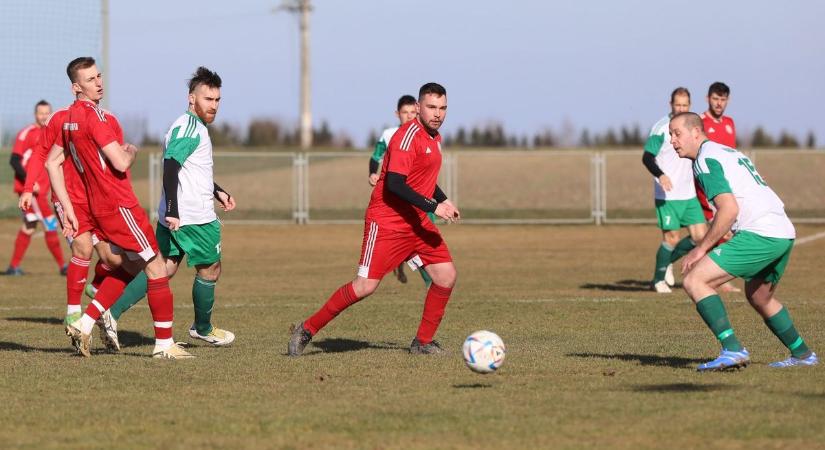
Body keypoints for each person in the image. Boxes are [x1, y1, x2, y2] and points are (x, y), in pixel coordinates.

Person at [288, 82, 460, 356]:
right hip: (388, 221)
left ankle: (423, 342)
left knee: (446, 276)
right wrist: (433, 205)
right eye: (431, 107)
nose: (438, 113)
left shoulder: (434, 138)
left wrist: (443, 199)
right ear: (418, 108)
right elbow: (395, 184)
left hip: (416, 222)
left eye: (442, 108)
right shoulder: (407, 136)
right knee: (364, 286)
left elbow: (422, 177)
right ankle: (307, 329)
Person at [46, 56, 192, 359]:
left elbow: (52, 162)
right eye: (90, 79)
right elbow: (121, 161)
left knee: (126, 265)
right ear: (76, 87)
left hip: (98, 207)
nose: (98, 83)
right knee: (156, 267)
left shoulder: (69, 119)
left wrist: (71, 210)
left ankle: (85, 322)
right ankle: (164, 345)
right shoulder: (95, 118)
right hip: (118, 204)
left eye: (99, 76)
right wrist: (132, 150)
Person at [101, 67, 237, 347]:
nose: (213, 105)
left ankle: (110, 313)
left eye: (217, 100)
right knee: (210, 268)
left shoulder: (191, 126)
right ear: (191, 98)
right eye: (207, 99)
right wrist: (174, 209)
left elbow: (191, 171)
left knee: (162, 268)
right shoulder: (189, 128)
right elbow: (171, 167)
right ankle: (203, 327)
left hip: (177, 214)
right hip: (193, 217)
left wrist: (217, 191)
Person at [671, 112, 817, 371]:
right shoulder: (726, 151)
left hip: (760, 232)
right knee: (759, 296)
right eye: (671, 135)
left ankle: (733, 349)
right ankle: (803, 354)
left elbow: (729, 209)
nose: (672, 140)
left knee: (695, 279)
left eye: (676, 133)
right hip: (782, 230)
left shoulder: (705, 159)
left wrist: (700, 249)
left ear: (696, 132)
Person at [641, 88, 707, 293]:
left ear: (690, 106)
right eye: (677, 104)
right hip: (667, 195)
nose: (681, 108)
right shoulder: (661, 128)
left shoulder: (690, 127)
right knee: (671, 238)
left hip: (688, 194)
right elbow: (647, 157)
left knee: (701, 237)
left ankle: (668, 261)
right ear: (670, 104)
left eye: (685, 105)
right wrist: (661, 175)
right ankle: (658, 279)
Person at [369, 94, 432, 287]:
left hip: (421, 196)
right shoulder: (389, 135)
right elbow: (375, 157)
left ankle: (424, 275)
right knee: (411, 239)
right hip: (398, 199)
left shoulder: (426, 134)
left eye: (413, 112)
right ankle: (430, 281)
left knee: (425, 240)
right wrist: (372, 173)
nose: (409, 116)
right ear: (398, 114)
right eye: (405, 112)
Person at [5, 100, 66, 276]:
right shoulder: (26, 133)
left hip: (39, 190)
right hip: (31, 191)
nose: (44, 116)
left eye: (47, 113)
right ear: (35, 114)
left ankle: (13, 267)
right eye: (41, 113)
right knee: (50, 223)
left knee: (30, 226)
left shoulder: (52, 133)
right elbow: (14, 160)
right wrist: (29, 184)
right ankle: (63, 266)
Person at [697, 81, 741, 293]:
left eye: (722, 99)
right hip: (708, 185)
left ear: (728, 100)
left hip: (727, 185)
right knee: (722, 230)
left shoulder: (730, 123)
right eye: (715, 98)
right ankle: (719, 279)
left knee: (706, 233)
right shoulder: (700, 122)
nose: (719, 103)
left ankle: (672, 256)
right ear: (708, 99)